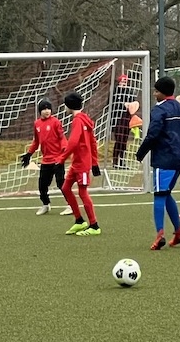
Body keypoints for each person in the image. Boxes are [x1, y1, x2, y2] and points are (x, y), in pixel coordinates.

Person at [135, 77, 180, 250]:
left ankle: (160, 235)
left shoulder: (160, 109)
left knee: (159, 195)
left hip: (164, 157)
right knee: (166, 193)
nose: (154, 94)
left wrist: (141, 153)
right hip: (179, 157)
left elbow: (153, 134)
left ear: (163, 92)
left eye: (156, 91)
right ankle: (179, 232)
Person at [58, 91, 103, 236]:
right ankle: (79, 220)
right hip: (77, 163)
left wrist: (61, 159)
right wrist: (94, 162)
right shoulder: (84, 119)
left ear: (69, 105)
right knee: (65, 188)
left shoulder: (78, 120)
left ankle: (94, 225)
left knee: (82, 192)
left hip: (82, 164)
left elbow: (73, 142)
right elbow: (93, 142)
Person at [20, 99, 67, 215]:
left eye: (48, 109)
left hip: (57, 159)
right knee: (42, 185)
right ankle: (46, 204)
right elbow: (36, 142)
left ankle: (70, 205)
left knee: (61, 183)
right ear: (40, 111)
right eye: (44, 109)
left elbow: (62, 138)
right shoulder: (37, 124)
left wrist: (64, 151)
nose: (47, 111)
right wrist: (29, 154)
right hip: (46, 160)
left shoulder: (56, 122)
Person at [110, 73, 138, 168]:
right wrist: (123, 104)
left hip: (126, 119)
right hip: (117, 119)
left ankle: (122, 161)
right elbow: (111, 104)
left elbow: (133, 104)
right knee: (119, 140)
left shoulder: (129, 92)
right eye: (123, 81)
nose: (124, 83)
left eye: (126, 81)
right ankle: (115, 161)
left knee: (124, 141)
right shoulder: (115, 92)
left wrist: (132, 105)